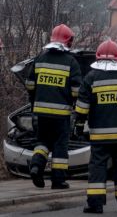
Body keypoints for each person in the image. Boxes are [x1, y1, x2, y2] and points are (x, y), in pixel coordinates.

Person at [75, 39, 117, 213]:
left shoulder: (91, 78)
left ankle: (96, 204)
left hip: (100, 136)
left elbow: (82, 106)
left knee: (98, 167)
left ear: (98, 57)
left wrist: (79, 125)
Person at [27, 24, 82, 189]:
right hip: (61, 114)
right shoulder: (71, 62)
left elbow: (29, 84)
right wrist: (74, 105)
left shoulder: (40, 58)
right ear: (68, 41)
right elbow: (76, 90)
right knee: (60, 146)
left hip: (40, 113)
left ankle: (36, 166)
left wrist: (34, 100)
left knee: (42, 142)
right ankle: (58, 181)